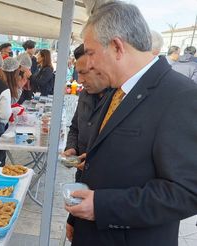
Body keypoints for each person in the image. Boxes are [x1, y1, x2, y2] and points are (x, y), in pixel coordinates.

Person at [65, 2, 197, 246]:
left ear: (117, 46)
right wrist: (76, 218)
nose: (89, 64)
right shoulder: (117, 90)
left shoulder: (181, 96)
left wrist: (102, 206)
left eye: (91, 53)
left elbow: (186, 192)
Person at [62, 44, 111, 240]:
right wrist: (72, 147)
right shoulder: (85, 93)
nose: (79, 80)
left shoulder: (118, 99)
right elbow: (74, 126)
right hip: (81, 176)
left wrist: (93, 159)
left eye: (83, 73)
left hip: (103, 190)